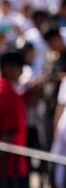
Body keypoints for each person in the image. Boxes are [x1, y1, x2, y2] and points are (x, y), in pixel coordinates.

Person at [0, 50, 28, 187]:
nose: (21, 73)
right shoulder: (9, 95)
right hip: (9, 168)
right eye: (19, 68)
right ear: (7, 67)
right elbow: (9, 135)